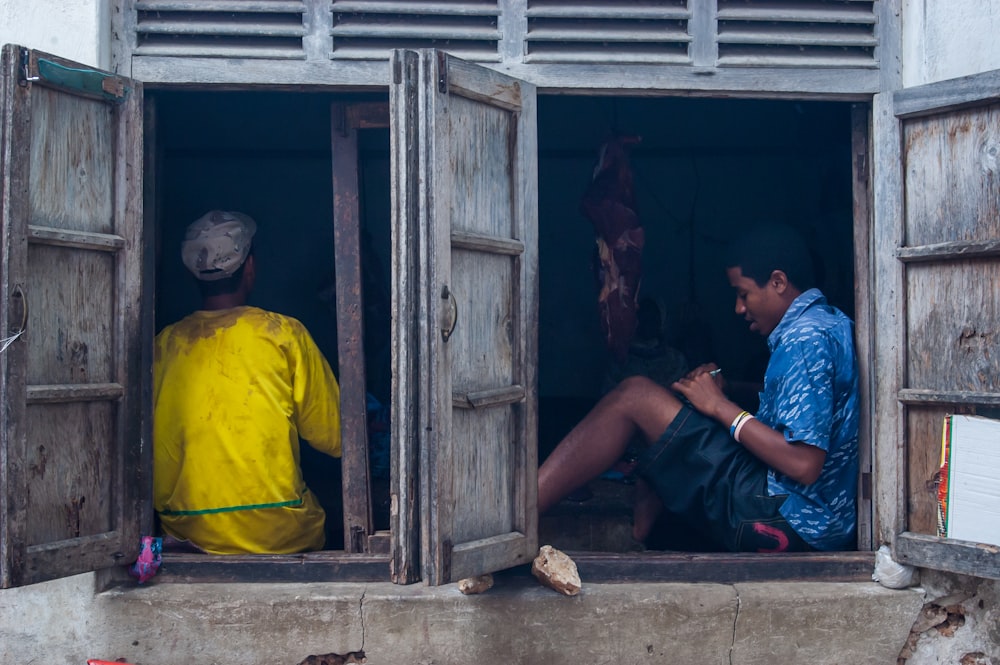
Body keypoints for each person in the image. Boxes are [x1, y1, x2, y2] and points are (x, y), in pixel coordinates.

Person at [538, 224, 860, 552]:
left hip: (786, 517)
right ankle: (641, 532)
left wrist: (721, 406)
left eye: (743, 293)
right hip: (820, 521)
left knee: (634, 396)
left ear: (778, 282)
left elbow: (804, 464)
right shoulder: (832, 324)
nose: (738, 307)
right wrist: (727, 388)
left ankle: (520, 514)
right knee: (677, 413)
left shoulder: (803, 340)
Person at [153, 210, 342, 554]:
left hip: (189, 536)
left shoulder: (164, 345)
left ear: (192, 274)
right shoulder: (283, 334)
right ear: (250, 267)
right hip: (279, 534)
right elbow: (335, 437)